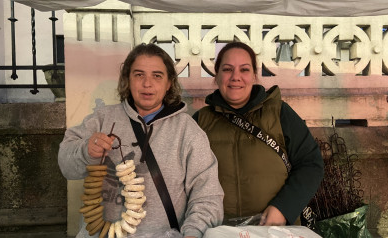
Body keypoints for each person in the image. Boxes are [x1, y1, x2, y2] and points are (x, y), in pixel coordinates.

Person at [58, 43, 224, 238]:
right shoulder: (101, 119)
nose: (147, 83)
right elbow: (66, 165)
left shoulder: (187, 131)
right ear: (128, 79)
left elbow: (207, 195)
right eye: (139, 75)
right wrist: (86, 151)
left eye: (157, 75)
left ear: (169, 83)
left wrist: (193, 233)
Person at [193, 41, 324, 226]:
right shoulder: (201, 121)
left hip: (274, 230)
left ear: (254, 75)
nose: (235, 77)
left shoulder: (279, 113)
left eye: (244, 70)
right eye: (227, 69)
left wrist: (283, 208)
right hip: (219, 230)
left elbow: (311, 164)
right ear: (217, 74)